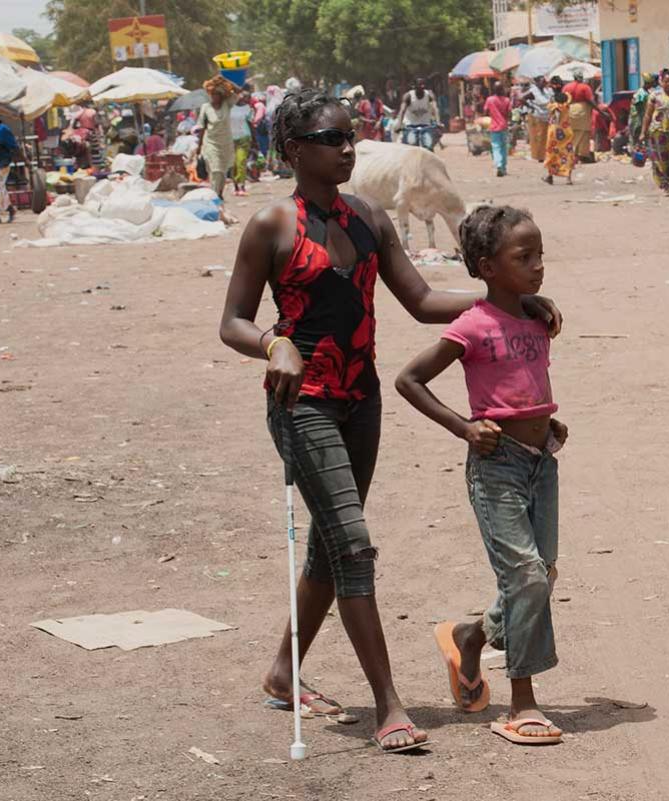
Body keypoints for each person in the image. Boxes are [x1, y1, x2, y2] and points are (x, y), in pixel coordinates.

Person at [218, 89, 562, 755]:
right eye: (330, 137)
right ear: (293, 149)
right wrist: (271, 342)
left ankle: (283, 671)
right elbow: (231, 319)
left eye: (351, 134)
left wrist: (510, 301)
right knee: (353, 544)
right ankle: (389, 702)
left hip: (361, 400)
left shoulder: (369, 217)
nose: (347, 147)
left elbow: (424, 300)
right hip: (304, 401)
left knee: (330, 545)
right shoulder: (271, 225)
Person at [395, 205, 569, 748]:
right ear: (486, 266)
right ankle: (523, 703)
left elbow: (521, 379)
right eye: (524, 257)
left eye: (540, 254)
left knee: (540, 574)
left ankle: (469, 636)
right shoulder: (471, 325)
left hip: (541, 463)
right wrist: (465, 428)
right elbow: (409, 380)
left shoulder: (538, 316)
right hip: (497, 468)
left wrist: (541, 415)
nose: (538, 266)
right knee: (527, 578)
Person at [197, 75, 239, 214]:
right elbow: (202, 127)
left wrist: (227, 81)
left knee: (223, 172)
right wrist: (198, 148)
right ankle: (214, 198)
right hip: (211, 143)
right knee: (215, 171)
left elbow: (238, 92)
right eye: (212, 94)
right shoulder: (205, 107)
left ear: (221, 95)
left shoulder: (227, 104)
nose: (214, 97)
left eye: (217, 94)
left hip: (226, 143)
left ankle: (219, 194)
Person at [541, 87, 576, 185]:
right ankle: (568, 178)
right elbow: (568, 96)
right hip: (567, 132)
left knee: (553, 154)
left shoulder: (555, 107)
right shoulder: (567, 106)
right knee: (568, 154)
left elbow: (555, 118)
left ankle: (550, 176)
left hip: (555, 134)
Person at [562, 71, 597, 162]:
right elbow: (591, 101)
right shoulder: (585, 87)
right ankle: (581, 154)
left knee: (571, 132)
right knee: (583, 133)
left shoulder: (566, 87)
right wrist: (601, 112)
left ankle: (572, 154)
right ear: (581, 77)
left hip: (569, 110)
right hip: (582, 110)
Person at [398, 79, 439, 149]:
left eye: (423, 85)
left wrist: (438, 122)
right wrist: (399, 124)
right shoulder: (408, 96)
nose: (422, 87)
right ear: (414, 87)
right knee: (411, 144)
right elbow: (402, 110)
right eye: (419, 85)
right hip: (410, 125)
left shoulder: (429, 95)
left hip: (425, 125)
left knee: (428, 145)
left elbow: (435, 108)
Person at [484, 82, 513, 178]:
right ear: (502, 89)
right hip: (504, 126)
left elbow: (486, 111)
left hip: (494, 126)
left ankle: (499, 166)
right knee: (504, 147)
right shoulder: (507, 100)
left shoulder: (490, 99)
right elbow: (509, 113)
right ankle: (503, 167)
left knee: (496, 147)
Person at [231, 89, 255, 196]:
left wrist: (255, 140)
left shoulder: (247, 109)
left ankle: (242, 185)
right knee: (233, 164)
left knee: (241, 161)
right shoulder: (228, 108)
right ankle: (235, 185)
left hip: (244, 138)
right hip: (230, 139)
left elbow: (251, 124)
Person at [524, 76, 552, 162]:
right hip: (536, 116)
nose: (544, 83)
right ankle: (538, 156)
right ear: (537, 82)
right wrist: (530, 107)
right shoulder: (533, 91)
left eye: (544, 82)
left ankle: (544, 155)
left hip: (546, 116)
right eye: (542, 82)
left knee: (545, 137)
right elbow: (521, 98)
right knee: (537, 137)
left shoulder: (545, 90)